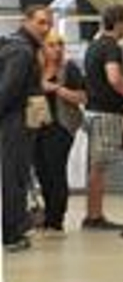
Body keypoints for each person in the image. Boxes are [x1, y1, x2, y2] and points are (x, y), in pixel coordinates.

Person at [0, 6, 51, 252]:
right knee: (14, 177)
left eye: (49, 23)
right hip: (16, 121)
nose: (46, 28)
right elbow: (9, 89)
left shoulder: (24, 47)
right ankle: (12, 234)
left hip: (22, 119)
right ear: (26, 21)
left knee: (17, 176)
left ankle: (14, 229)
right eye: (41, 22)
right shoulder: (21, 50)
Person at [82, 4, 123, 231]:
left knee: (97, 166)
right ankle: (94, 216)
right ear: (119, 22)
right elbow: (114, 79)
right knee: (99, 167)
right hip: (106, 113)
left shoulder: (94, 45)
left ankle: (94, 214)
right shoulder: (111, 47)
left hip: (94, 111)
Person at [33, 26, 87, 237]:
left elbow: (82, 97)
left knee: (56, 171)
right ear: (42, 48)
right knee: (42, 172)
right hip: (36, 126)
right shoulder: (33, 69)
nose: (57, 49)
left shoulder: (69, 69)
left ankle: (56, 222)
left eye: (60, 44)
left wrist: (55, 88)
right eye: (51, 45)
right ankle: (47, 218)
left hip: (61, 126)